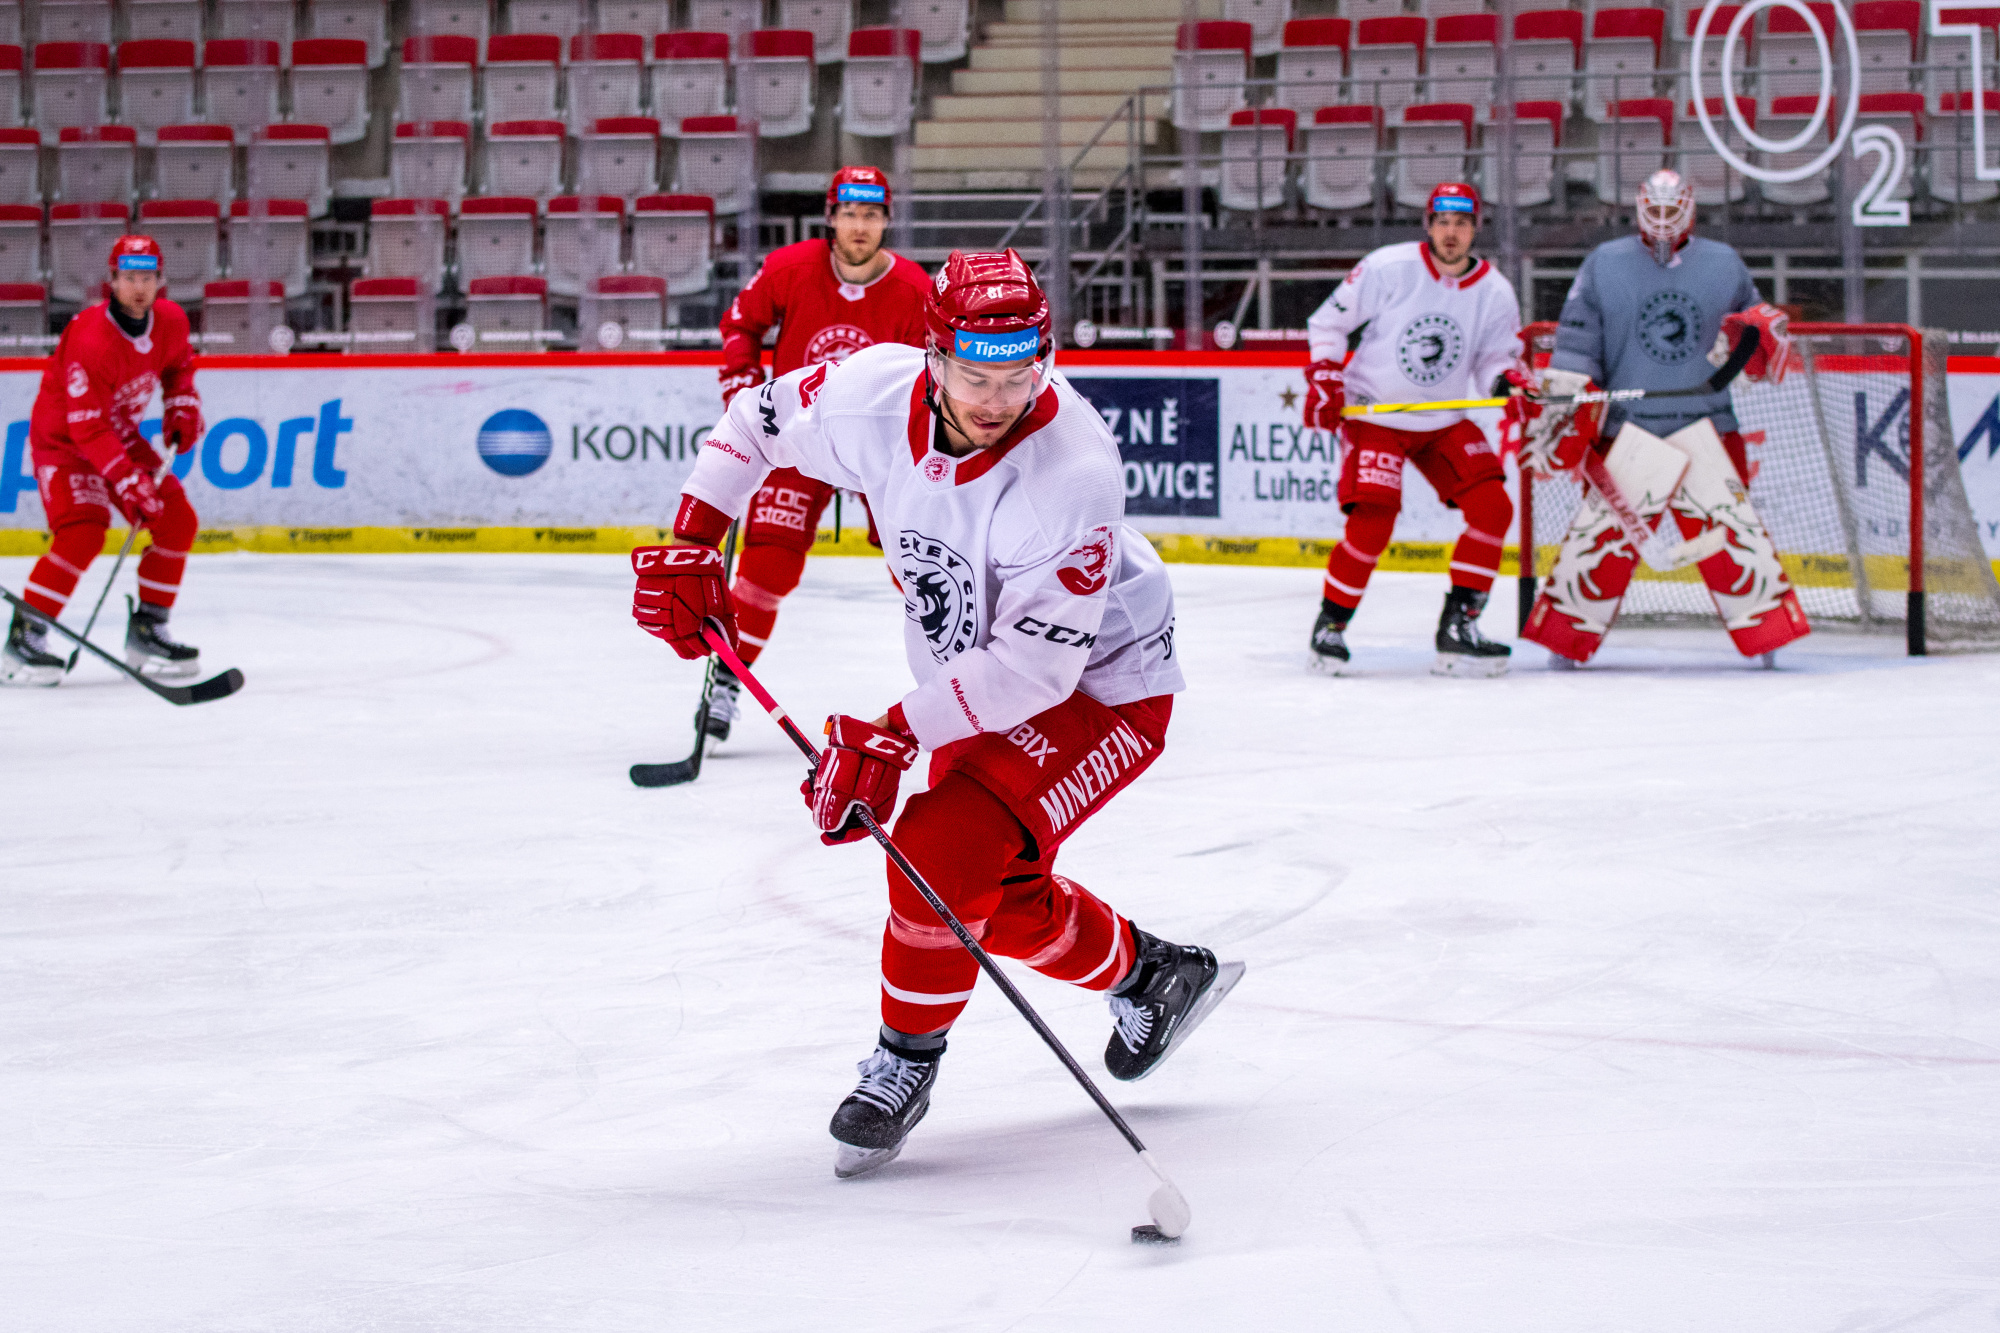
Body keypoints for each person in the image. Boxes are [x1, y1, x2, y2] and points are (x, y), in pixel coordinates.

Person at [633, 250, 1238, 1179]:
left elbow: (1037, 670)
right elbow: (752, 423)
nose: (997, 400)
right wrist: (693, 540)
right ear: (933, 357)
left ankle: (903, 1064)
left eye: (1019, 376)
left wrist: (895, 730)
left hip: (1103, 686)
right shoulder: (872, 396)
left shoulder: (1071, 470)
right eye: (973, 376)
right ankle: (1152, 975)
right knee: (984, 895)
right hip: (983, 675)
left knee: (939, 851)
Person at [1517, 168, 1806, 663]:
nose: (1664, 219)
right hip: (1626, 426)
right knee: (1601, 543)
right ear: (1638, 206)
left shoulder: (1724, 262)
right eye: (1656, 208)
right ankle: (1566, 642)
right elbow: (1578, 340)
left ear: (1691, 207)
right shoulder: (1605, 262)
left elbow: (1755, 329)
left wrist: (1753, 343)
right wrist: (1568, 396)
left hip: (1707, 422)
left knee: (1732, 539)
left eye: (1674, 209)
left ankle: (1768, 640)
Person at [705, 164, 932, 739]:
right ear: (830, 217)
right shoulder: (790, 268)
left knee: (922, 569)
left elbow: (933, 372)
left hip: (881, 447)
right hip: (799, 437)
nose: (860, 226)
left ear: (886, 221)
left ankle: (959, 679)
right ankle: (727, 679)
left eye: (872, 215)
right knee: (766, 566)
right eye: (850, 213)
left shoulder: (914, 290)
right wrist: (744, 393)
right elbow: (741, 326)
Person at [1300, 182, 1524, 676]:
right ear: (1428, 224)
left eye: (1461, 223)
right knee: (1373, 521)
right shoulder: (1388, 267)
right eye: (1443, 222)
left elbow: (1495, 359)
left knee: (1493, 509)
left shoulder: (1495, 291)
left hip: (1443, 420)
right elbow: (1327, 324)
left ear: (1475, 229)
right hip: (1376, 414)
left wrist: (1507, 380)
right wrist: (1326, 377)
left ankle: (1459, 628)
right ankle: (1330, 626)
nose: (1451, 232)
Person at [3, 235, 204, 687]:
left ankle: (149, 630)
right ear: (112, 280)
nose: (139, 287)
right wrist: (128, 481)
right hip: (65, 440)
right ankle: (26, 634)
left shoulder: (171, 321)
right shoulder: (92, 337)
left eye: (147, 277)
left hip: (117, 434)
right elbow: (86, 428)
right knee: (83, 532)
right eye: (129, 277)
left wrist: (182, 404)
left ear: (160, 280)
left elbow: (178, 368)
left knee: (176, 521)